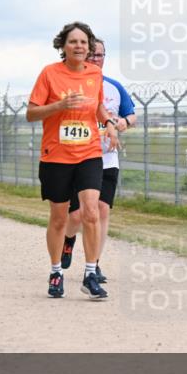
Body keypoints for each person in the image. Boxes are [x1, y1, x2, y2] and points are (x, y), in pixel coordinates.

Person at [26, 21, 119, 300]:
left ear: (89, 47)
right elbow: (31, 113)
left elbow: (99, 106)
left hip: (89, 153)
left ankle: (90, 273)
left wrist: (110, 124)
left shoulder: (94, 74)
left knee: (91, 211)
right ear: (62, 47)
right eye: (73, 42)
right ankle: (56, 271)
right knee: (59, 218)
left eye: (83, 42)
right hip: (56, 155)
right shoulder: (49, 74)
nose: (79, 46)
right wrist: (59, 106)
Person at [58, 39, 136, 283]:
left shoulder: (114, 87)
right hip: (79, 158)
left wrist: (124, 122)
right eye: (92, 56)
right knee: (78, 215)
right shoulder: (72, 85)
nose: (95, 60)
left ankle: (94, 264)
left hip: (107, 158)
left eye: (100, 56)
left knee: (101, 211)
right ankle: (68, 241)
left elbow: (131, 114)